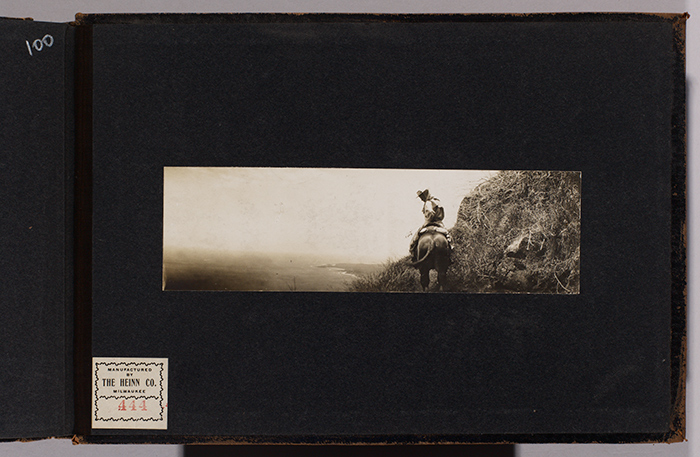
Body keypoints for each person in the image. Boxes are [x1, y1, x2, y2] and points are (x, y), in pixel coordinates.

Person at [409, 189, 453, 260]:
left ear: (425, 195)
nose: (421, 199)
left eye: (422, 197)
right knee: (448, 236)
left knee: (414, 239)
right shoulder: (437, 201)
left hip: (429, 223)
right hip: (439, 223)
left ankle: (413, 255)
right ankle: (451, 254)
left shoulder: (428, 203)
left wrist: (428, 220)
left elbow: (430, 213)